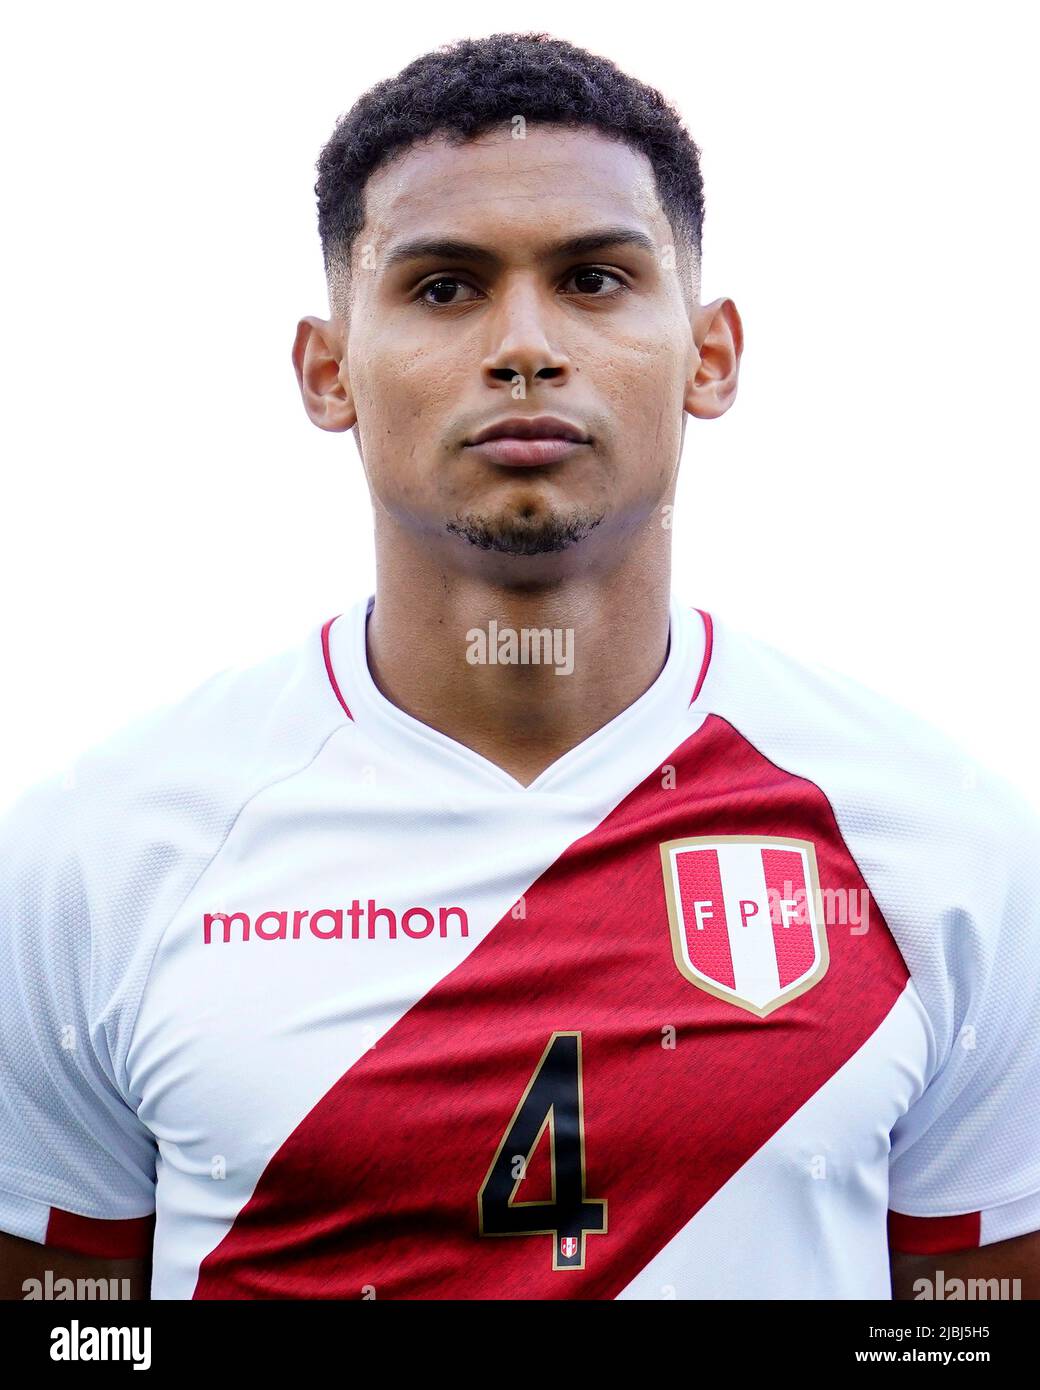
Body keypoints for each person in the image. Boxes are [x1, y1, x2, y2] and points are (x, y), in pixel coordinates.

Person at [1, 32, 1037, 1302]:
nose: (526, 346)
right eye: (443, 287)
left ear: (708, 354)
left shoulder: (940, 846)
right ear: (329, 372)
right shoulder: (96, 855)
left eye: (596, 280)